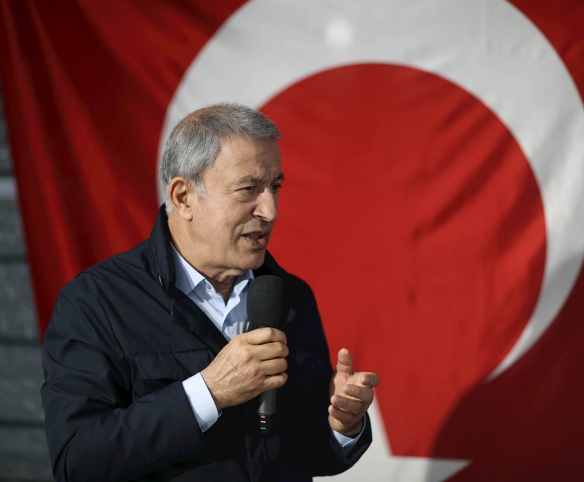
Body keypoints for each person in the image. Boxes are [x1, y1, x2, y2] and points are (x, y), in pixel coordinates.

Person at [41, 103, 380, 481]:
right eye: (248, 189)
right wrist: (209, 392)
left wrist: (342, 425)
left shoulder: (291, 297)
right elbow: (78, 461)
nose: (269, 210)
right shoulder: (94, 302)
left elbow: (307, 455)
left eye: (275, 187)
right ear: (183, 197)